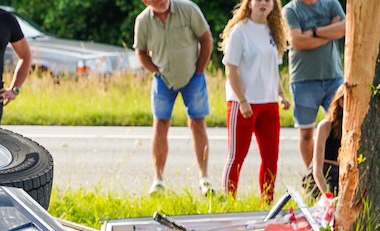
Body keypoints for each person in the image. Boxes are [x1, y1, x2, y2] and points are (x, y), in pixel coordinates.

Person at [134, 0, 215, 196]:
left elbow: (206, 40)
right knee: (160, 124)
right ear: (146, 1)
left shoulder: (188, 9)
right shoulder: (143, 20)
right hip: (163, 79)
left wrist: (199, 71)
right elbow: (141, 52)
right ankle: (158, 180)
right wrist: (155, 71)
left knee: (197, 123)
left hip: (192, 77)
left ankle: (204, 178)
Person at [220, 0, 291, 203]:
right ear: (249, 4)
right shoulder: (240, 32)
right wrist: (242, 100)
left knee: (271, 158)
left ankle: (266, 203)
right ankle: (228, 201)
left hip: (268, 103)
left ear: (273, 6)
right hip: (243, 103)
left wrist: (281, 94)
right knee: (237, 156)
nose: (263, 3)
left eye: (268, 1)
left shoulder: (273, 31)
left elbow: (272, 69)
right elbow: (230, 70)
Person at [282, 0, 345, 185]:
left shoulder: (331, 3)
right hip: (304, 80)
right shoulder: (290, 11)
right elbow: (297, 41)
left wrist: (314, 32)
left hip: (333, 76)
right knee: (306, 134)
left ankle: (339, 175)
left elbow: (345, 29)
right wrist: (330, 30)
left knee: (341, 126)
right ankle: (315, 178)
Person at [312, 84, 345, 196]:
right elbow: (317, 170)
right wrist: (327, 195)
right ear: (341, 102)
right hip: (324, 176)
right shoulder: (325, 126)